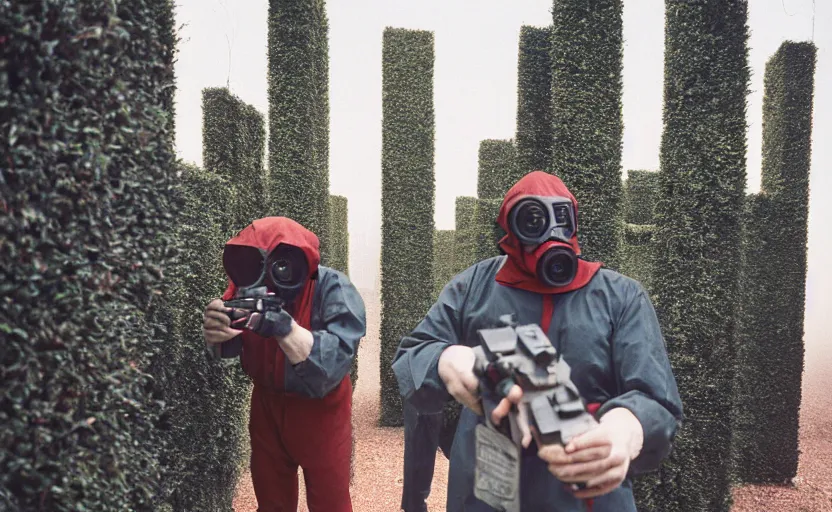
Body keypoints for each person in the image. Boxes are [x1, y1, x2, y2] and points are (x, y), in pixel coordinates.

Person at [392, 171, 684, 511]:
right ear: (510, 231)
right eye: (532, 221)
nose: (549, 234)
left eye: (560, 218)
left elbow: (656, 397)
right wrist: (447, 360)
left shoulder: (620, 296)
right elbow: (414, 352)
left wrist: (626, 429)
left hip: (585, 486)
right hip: (489, 485)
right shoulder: (475, 286)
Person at [202, 216, 366, 512]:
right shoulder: (244, 289)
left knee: (330, 501)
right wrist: (215, 332)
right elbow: (227, 347)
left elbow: (336, 358)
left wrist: (285, 328)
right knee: (271, 498)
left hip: (322, 409)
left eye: (280, 264)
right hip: (267, 405)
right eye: (256, 266)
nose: (269, 278)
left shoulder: (332, 287)